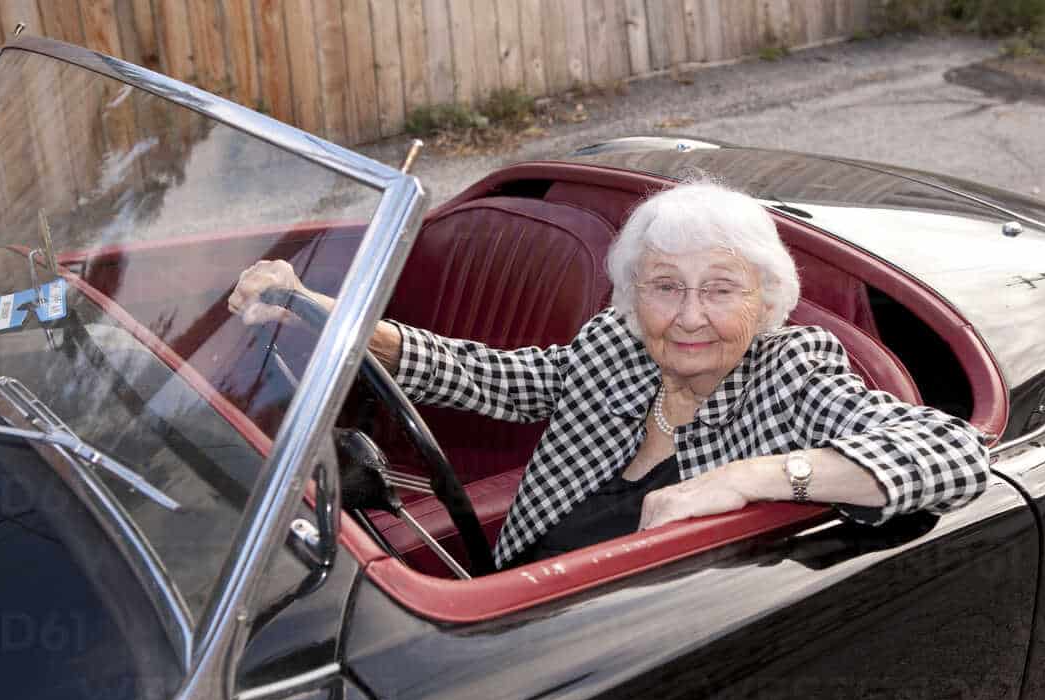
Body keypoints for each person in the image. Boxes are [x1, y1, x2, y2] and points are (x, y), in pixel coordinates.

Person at [229, 181, 989, 570]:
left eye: (721, 289)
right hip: (515, 589)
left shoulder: (791, 369)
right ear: (632, 297)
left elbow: (952, 454)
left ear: (766, 303)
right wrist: (331, 315)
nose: (689, 315)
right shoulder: (616, 347)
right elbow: (491, 375)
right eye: (664, 286)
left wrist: (747, 479)